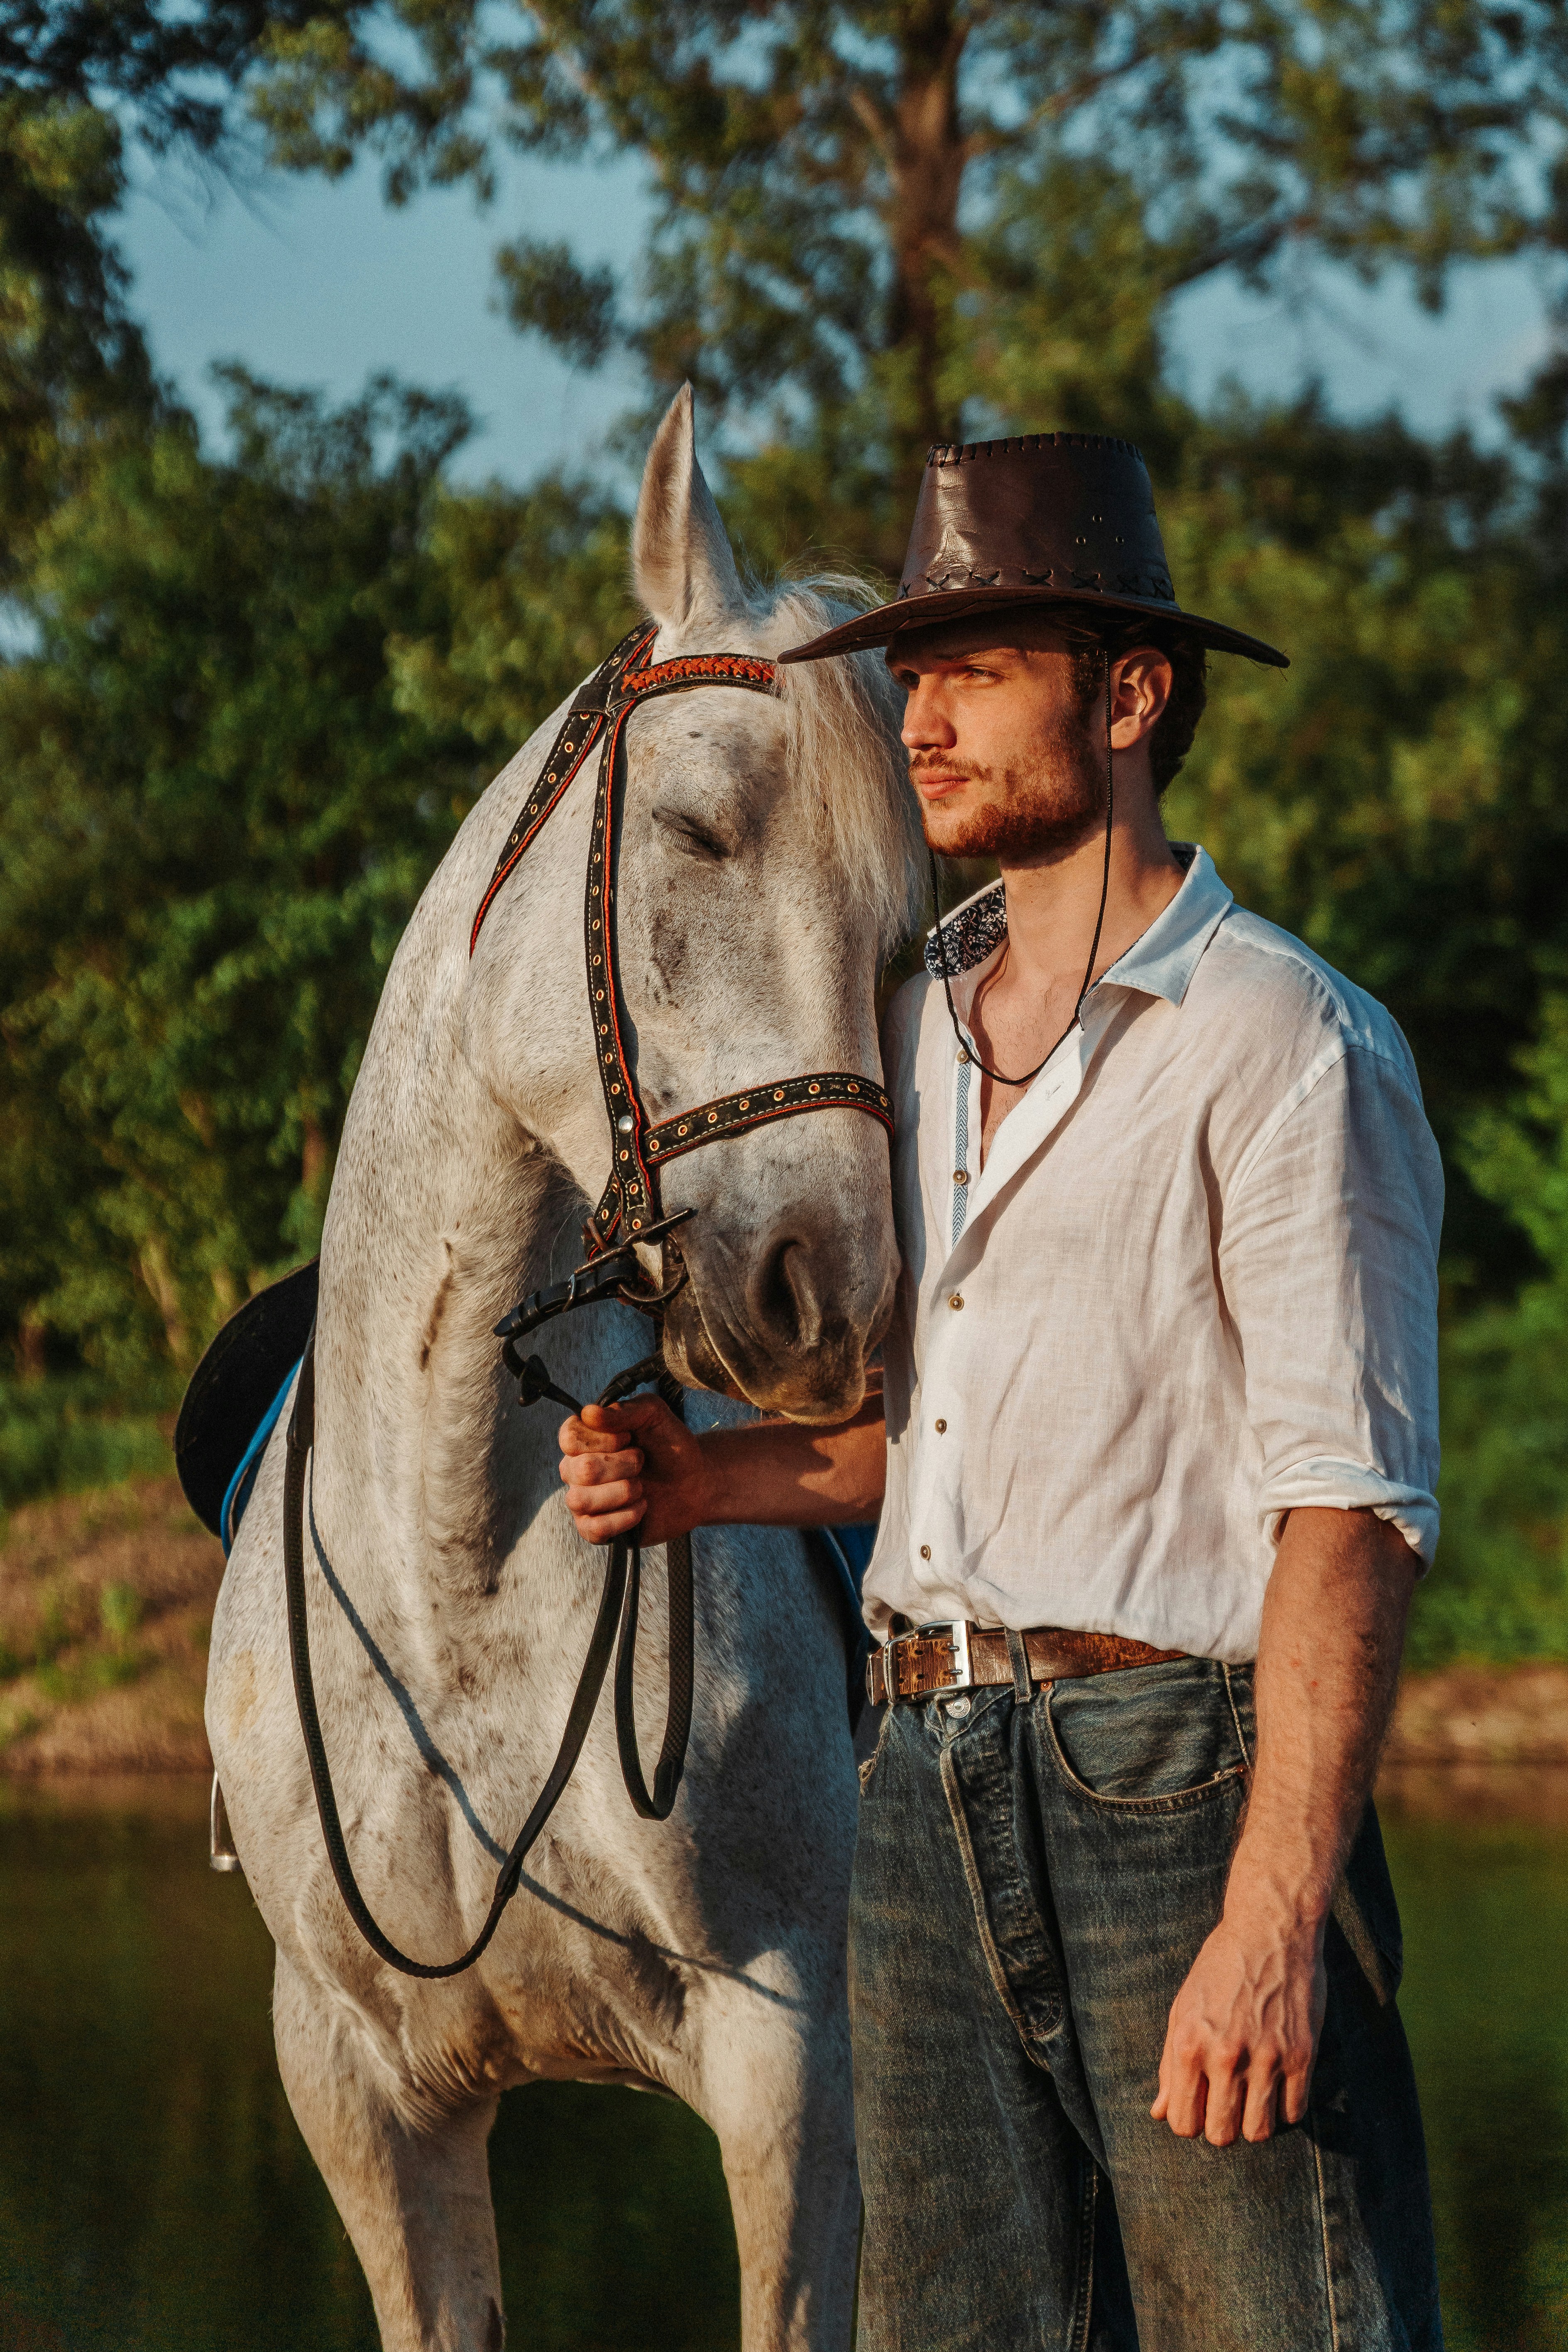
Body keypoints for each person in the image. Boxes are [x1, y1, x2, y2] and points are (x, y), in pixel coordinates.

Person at [558, 433, 1445, 2350]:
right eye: (914, 667)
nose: (917, 714)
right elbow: (942, 1448)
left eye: (974, 667)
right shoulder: (911, 1037)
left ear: (1128, 694)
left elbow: (1350, 1513)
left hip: (1180, 1791)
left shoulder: (1285, 1042)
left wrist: (1277, 1923)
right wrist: (699, 1480)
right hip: (920, 1791)